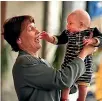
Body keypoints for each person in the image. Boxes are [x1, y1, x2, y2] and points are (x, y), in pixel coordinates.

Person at [3, 15, 96, 101]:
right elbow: (63, 80)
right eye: (31, 29)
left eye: (35, 27)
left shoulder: (41, 61)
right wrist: (83, 53)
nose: (38, 32)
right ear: (19, 39)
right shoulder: (24, 62)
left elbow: (65, 86)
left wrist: (80, 46)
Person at [40, 9, 102, 101]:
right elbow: (59, 39)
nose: (67, 26)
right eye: (67, 23)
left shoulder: (92, 32)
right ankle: (64, 98)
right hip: (69, 65)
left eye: (70, 23)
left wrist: (93, 41)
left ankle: (81, 99)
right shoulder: (68, 33)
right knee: (66, 83)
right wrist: (49, 38)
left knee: (83, 86)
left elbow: (101, 39)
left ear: (81, 24)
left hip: (85, 67)